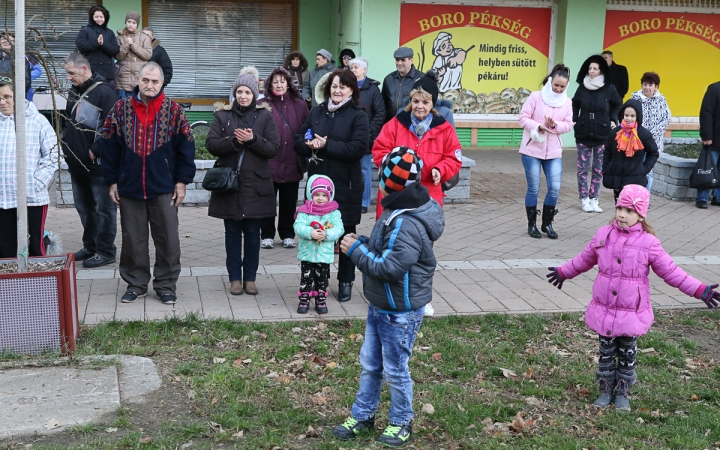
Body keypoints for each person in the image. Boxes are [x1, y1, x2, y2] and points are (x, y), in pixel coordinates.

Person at [547, 184, 719, 412]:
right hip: (605, 310)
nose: (621, 215)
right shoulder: (603, 235)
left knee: (627, 356)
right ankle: (605, 390)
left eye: (629, 211)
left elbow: (671, 272)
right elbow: (584, 259)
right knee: (606, 354)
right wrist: (564, 272)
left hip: (631, 313)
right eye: (619, 208)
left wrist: (699, 289)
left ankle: (623, 392)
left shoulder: (648, 243)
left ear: (640, 215)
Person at [334, 147, 444, 447]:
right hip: (382, 304)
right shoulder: (396, 210)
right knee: (371, 363)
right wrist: (366, 241)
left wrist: (356, 251)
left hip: (400, 310)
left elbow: (391, 267)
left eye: (380, 173)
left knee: (395, 369)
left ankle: (400, 421)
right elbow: (387, 249)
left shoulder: (405, 221)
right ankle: (364, 413)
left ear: (387, 180)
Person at [100, 62, 196, 305]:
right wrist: (111, 181)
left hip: (163, 188)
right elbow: (109, 147)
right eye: (145, 80)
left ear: (162, 83)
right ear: (138, 81)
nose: (150, 85)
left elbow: (186, 149)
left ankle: (165, 285)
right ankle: (136, 284)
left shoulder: (174, 111)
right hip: (129, 187)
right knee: (133, 239)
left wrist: (182, 181)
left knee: (168, 240)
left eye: (155, 81)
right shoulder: (120, 109)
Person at [294, 69, 369, 303]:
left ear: (351, 90)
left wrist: (327, 145)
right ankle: (317, 282)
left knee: (345, 233)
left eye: (342, 87)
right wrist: (308, 144)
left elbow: (358, 148)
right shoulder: (317, 112)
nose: (337, 91)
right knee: (316, 231)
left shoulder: (358, 115)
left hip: (345, 184)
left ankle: (345, 281)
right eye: (334, 86)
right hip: (318, 186)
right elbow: (298, 140)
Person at [206, 67, 280, 296]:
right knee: (231, 234)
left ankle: (250, 278)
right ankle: (234, 279)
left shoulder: (265, 116)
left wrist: (253, 139)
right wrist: (235, 142)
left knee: (252, 235)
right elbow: (211, 145)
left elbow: (273, 148)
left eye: (247, 92)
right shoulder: (223, 115)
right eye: (240, 92)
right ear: (235, 93)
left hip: (256, 187)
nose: (243, 96)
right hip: (230, 187)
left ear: (255, 94)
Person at [62, 52, 119, 268]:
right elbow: (69, 124)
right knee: (84, 208)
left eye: (71, 73)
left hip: (97, 167)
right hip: (76, 164)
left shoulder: (104, 93)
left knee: (103, 210)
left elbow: (113, 128)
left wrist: (95, 151)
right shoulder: (73, 93)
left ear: (84, 70)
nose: (68, 77)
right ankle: (90, 246)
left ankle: (105, 251)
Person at [0, 75, 58, 259]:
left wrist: (37, 183)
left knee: (35, 246)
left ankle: (38, 283)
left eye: (7, 97)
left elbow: (53, 154)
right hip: (3, 197)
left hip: (32, 197)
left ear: (17, 96)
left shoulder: (37, 121)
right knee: (5, 247)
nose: (2, 102)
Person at [518, 64, 573, 240]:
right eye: (556, 85)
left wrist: (556, 125)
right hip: (532, 149)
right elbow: (523, 118)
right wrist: (539, 126)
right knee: (533, 188)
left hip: (554, 152)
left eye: (562, 86)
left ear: (567, 86)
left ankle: (547, 223)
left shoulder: (568, 101)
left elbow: (569, 124)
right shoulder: (536, 97)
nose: (558, 89)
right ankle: (532, 225)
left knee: (555, 188)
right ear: (550, 81)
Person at [257, 67, 309, 249]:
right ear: (269, 84)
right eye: (275, 81)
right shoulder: (262, 104)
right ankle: (267, 234)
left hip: (292, 161)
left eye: (282, 81)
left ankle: (287, 234)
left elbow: (306, 130)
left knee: (289, 201)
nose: (279, 85)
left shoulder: (300, 105)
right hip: (268, 162)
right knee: (267, 201)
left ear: (289, 83)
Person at [572, 54, 622, 213]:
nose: (592, 71)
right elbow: (574, 104)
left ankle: (594, 199)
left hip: (602, 132)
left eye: (595, 69)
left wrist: (613, 119)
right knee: (582, 168)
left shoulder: (609, 88)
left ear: (601, 71)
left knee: (598, 168)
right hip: (583, 131)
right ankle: (584, 199)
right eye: (590, 68)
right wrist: (574, 119)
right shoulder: (582, 87)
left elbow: (618, 104)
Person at [293, 175, 344, 315]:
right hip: (307, 253)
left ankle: (320, 299)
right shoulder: (304, 211)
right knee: (306, 277)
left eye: (324, 195)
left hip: (324, 253)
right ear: (311, 194)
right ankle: (304, 298)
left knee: (321, 278)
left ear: (330, 196)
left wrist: (326, 234)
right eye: (316, 195)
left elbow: (339, 229)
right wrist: (310, 233)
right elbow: (298, 227)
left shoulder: (334, 213)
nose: (320, 198)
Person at [603, 99, 659, 202]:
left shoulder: (643, 134)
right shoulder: (614, 133)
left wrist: (644, 169)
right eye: (626, 115)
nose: (629, 118)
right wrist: (606, 168)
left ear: (637, 117)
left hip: (635, 178)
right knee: (619, 207)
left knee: (632, 209)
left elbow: (654, 153)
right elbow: (607, 152)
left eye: (632, 116)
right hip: (617, 178)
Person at [349, 57, 385, 214]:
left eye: (357, 67)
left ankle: (364, 201)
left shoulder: (373, 89)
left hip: (365, 137)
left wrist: (369, 130)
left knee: (364, 170)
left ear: (364, 70)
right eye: (351, 67)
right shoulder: (346, 87)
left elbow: (380, 113)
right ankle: (349, 199)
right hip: (347, 136)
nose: (354, 70)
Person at [630, 72, 671, 191]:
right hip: (636, 142)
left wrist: (649, 135)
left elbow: (666, 119)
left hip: (653, 144)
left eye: (650, 85)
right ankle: (633, 195)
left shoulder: (662, 100)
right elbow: (628, 118)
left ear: (656, 87)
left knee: (648, 171)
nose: (647, 87)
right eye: (645, 84)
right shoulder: (635, 99)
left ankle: (644, 198)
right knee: (635, 170)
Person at [75, 5, 120, 89]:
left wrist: (103, 44)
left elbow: (115, 50)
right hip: (89, 72)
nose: (99, 19)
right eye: (96, 17)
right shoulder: (85, 30)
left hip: (106, 74)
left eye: (101, 17)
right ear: (92, 17)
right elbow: (81, 45)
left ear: (105, 18)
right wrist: (96, 43)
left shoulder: (109, 33)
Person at [115, 11, 152, 98]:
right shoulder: (120, 37)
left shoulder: (144, 37)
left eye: (133, 22)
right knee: (123, 109)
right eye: (129, 22)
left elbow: (147, 55)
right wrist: (126, 45)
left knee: (139, 109)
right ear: (125, 22)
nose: (130, 24)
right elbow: (118, 57)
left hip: (139, 81)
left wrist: (133, 45)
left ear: (137, 24)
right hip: (123, 81)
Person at [382, 47, 423, 123]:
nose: (399, 63)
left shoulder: (422, 79)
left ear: (411, 61)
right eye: (397, 60)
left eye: (403, 60)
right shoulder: (388, 79)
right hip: (391, 125)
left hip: (412, 126)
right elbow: (383, 106)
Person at [696, 81, 720, 208]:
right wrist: (706, 135)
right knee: (707, 169)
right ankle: (702, 198)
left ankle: (718, 197)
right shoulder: (714, 89)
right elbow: (706, 113)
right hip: (713, 139)